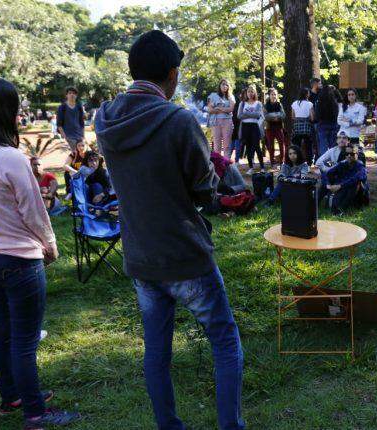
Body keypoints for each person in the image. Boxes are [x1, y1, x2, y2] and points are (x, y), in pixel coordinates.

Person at [94, 30, 244, 430]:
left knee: (157, 351)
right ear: (173, 73)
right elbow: (205, 188)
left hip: (140, 254)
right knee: (225, 341)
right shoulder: (178, 120)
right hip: (184, 251)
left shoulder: (104, 118)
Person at [0, 76, 78, 428]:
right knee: (23, 340)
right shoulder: (11, 158)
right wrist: (50, 247)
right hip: (18, 259)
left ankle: (12, 397)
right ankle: (37, 413)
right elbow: (35, 212)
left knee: (3, 331)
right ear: (0, 112)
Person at [325, 144, 369, 215]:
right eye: (347, 154)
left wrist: (340, 186)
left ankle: (344, 208)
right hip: (344, 189)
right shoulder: (342, 163)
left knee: (355, 184)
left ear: (357, 154)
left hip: (358, 195)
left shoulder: (360, 166)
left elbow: (356, 179)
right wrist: (328, 184)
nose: (349, 156)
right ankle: (319, 203)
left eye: (352, 154)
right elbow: (328, 173)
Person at [237, 84, 265, 174]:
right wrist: (250, 115)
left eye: (252, 91)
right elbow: (239, 116)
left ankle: (262, 167)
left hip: (254, 126)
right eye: (248, 91)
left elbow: (257, 115)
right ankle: (251, 167)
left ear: (255, 93)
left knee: (257, 146)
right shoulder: (242, 103)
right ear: (246, 93)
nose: (250, 93)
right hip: (245, 127)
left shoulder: (258, 103)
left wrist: (246, 114)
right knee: (248, 146)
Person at [207, 79, 235, 156]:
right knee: (217, 146)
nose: (225, 86)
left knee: (227, 146)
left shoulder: (231, 97)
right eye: (223, 84)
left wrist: (218, 108)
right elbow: (209, 110)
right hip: (215, 122)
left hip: (227, 121)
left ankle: (227, 164)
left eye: (227, 85)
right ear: (219, 85)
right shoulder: (213, 96)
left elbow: (230, 109)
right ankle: (218, 165)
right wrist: (224, 109)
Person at [56, 86, 85, 150]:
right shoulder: (62, 107)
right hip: (68, 136)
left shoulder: (79, 106)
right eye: (70, 93)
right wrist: (64, 135)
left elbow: (82, 122)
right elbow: (59, 123)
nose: (72, 95)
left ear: (76, 96)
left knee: (80, 154)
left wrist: (83, 135)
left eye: (74, 93)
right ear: (66, 95)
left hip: (79, 135)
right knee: (74, 153)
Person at [290, 88, 315, 164]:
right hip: (306, 126)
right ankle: (309, 162)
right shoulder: (310, 104)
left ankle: (296, 161)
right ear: (307, 94)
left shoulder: (294, 103)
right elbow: (312, 117)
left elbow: (293, 116)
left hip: (297, 126)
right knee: (308, 145)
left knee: (296, 145)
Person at [315, 85, 340, 157]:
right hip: (333, 125)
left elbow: (317, 116)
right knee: (333, 146)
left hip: (322, 125)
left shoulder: (319, 103)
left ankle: (324, 163)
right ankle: (334, 162)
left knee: (323, 146)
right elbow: (336, 114)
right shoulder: (334, 103)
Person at [264, 87, 287, 164]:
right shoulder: (266, 105)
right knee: (271, 146)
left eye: (275, 94)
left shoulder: (279, 104)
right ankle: (272, 161)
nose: (273, 96)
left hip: (279, 127)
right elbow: (265, 116)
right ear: (269, 95)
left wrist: (272, 116)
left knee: (281, 144)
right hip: (269, 128)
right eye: (272, 94)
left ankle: (281, 161)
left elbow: (283, 115)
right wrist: (276, 116)